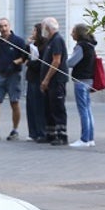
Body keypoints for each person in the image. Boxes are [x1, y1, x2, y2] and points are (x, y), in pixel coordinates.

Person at [38, 16, 69, 146]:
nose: (42, 31)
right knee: (48, 108)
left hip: (56, 81)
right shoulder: (50, 41)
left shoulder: (57, 40)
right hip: (50, 83)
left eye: (43, 28)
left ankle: (62, 136)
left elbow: (56, 61)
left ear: (48, 28)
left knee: (57, 108)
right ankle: (50, 134)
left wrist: (46, 79)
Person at [68, 22, 97, 147]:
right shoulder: (91, 45)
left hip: (81, 81)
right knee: (88, 109)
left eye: (73, 32)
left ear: (78, 33)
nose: (71, 34)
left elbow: (72, 62)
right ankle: (90, 138)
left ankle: (84, 139)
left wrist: (64, 62)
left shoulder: (81, 46)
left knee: (83, 110)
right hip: (89, 80)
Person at [24, 21, 48, 142]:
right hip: (31, 78)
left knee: (39, 106)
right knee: (30, 106)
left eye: (34, 30)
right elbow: (25, 56)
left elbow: (39, 64)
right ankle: (32, 132)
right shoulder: (33, 45)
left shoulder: (44, 46)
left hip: (38, 78)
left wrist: (29, 63)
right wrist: (28, 45)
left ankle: (41, 131)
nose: (32, 33)